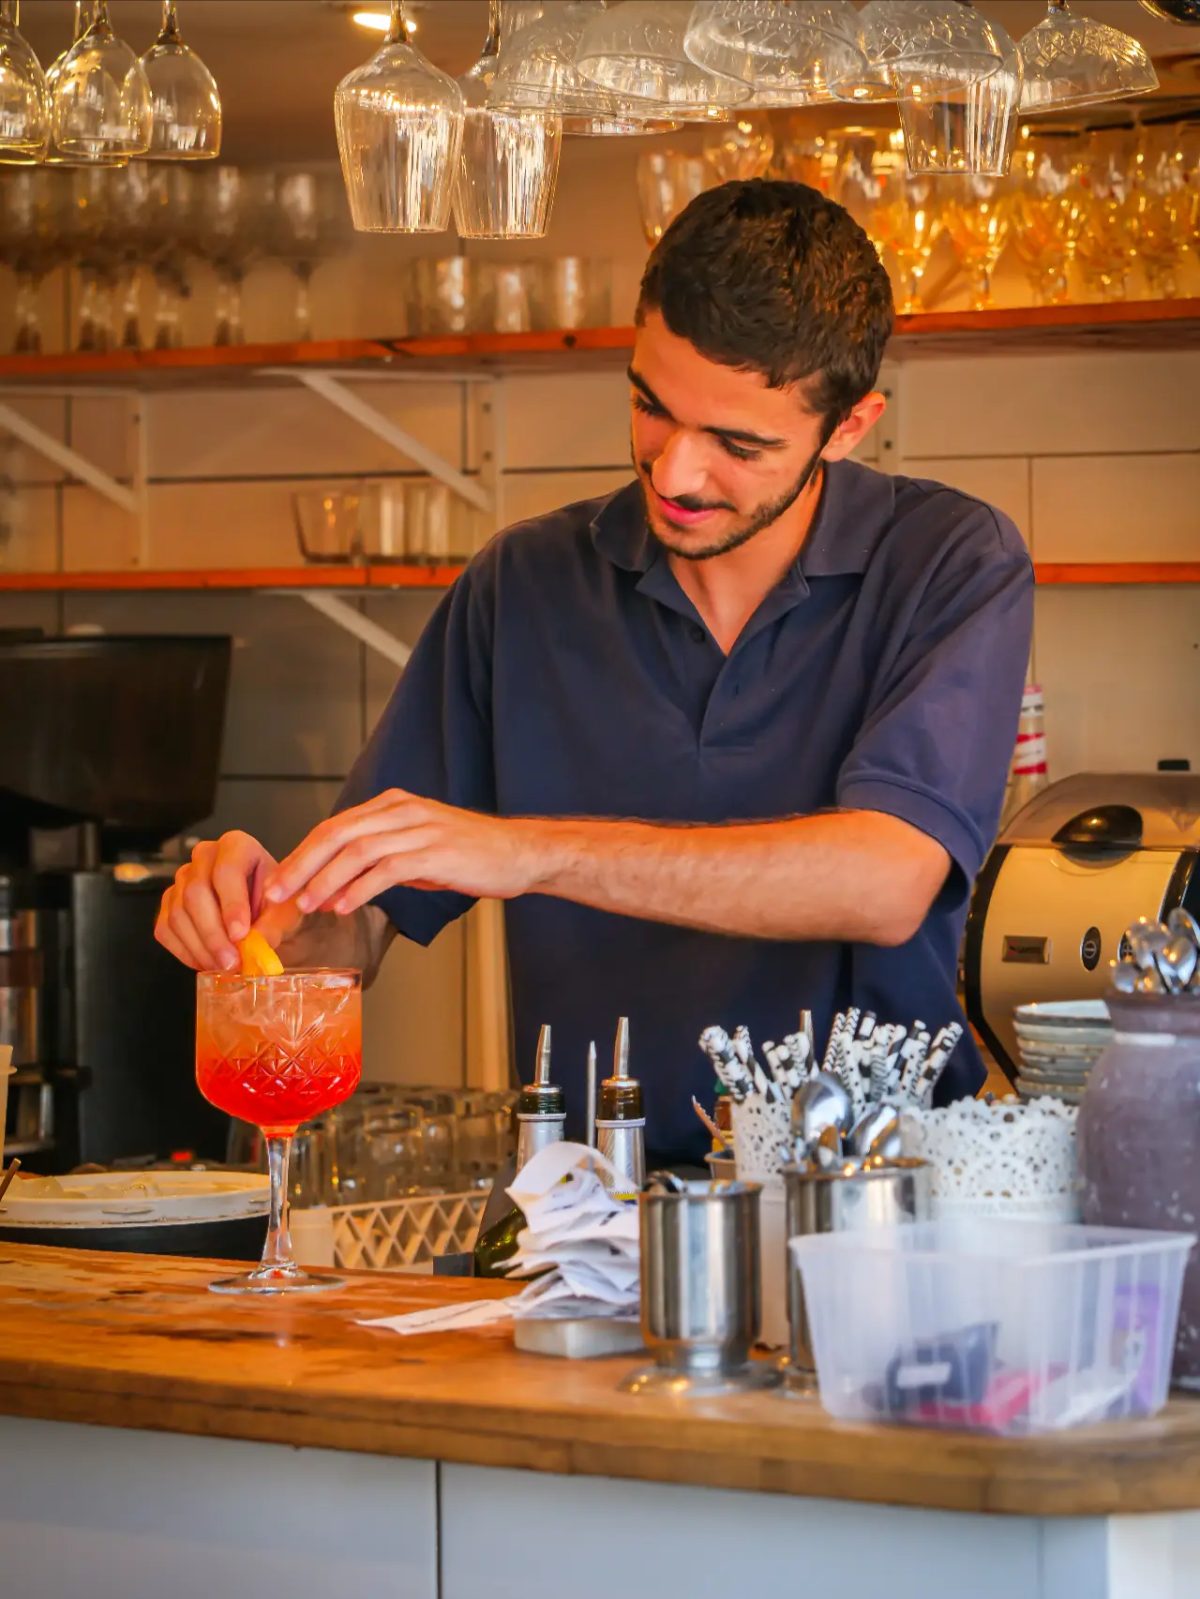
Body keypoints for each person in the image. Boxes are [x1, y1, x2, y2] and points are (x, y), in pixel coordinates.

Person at [156, 179, 1033, 1166]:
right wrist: (258, 918)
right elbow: (351, 937)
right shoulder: (523, 586)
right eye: (651, 408)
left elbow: (886, 881)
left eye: (738, 444)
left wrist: (530, 853)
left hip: (878, 1199)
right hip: (587, 1206)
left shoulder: (949, 560)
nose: (676, 473)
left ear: (849, 426)